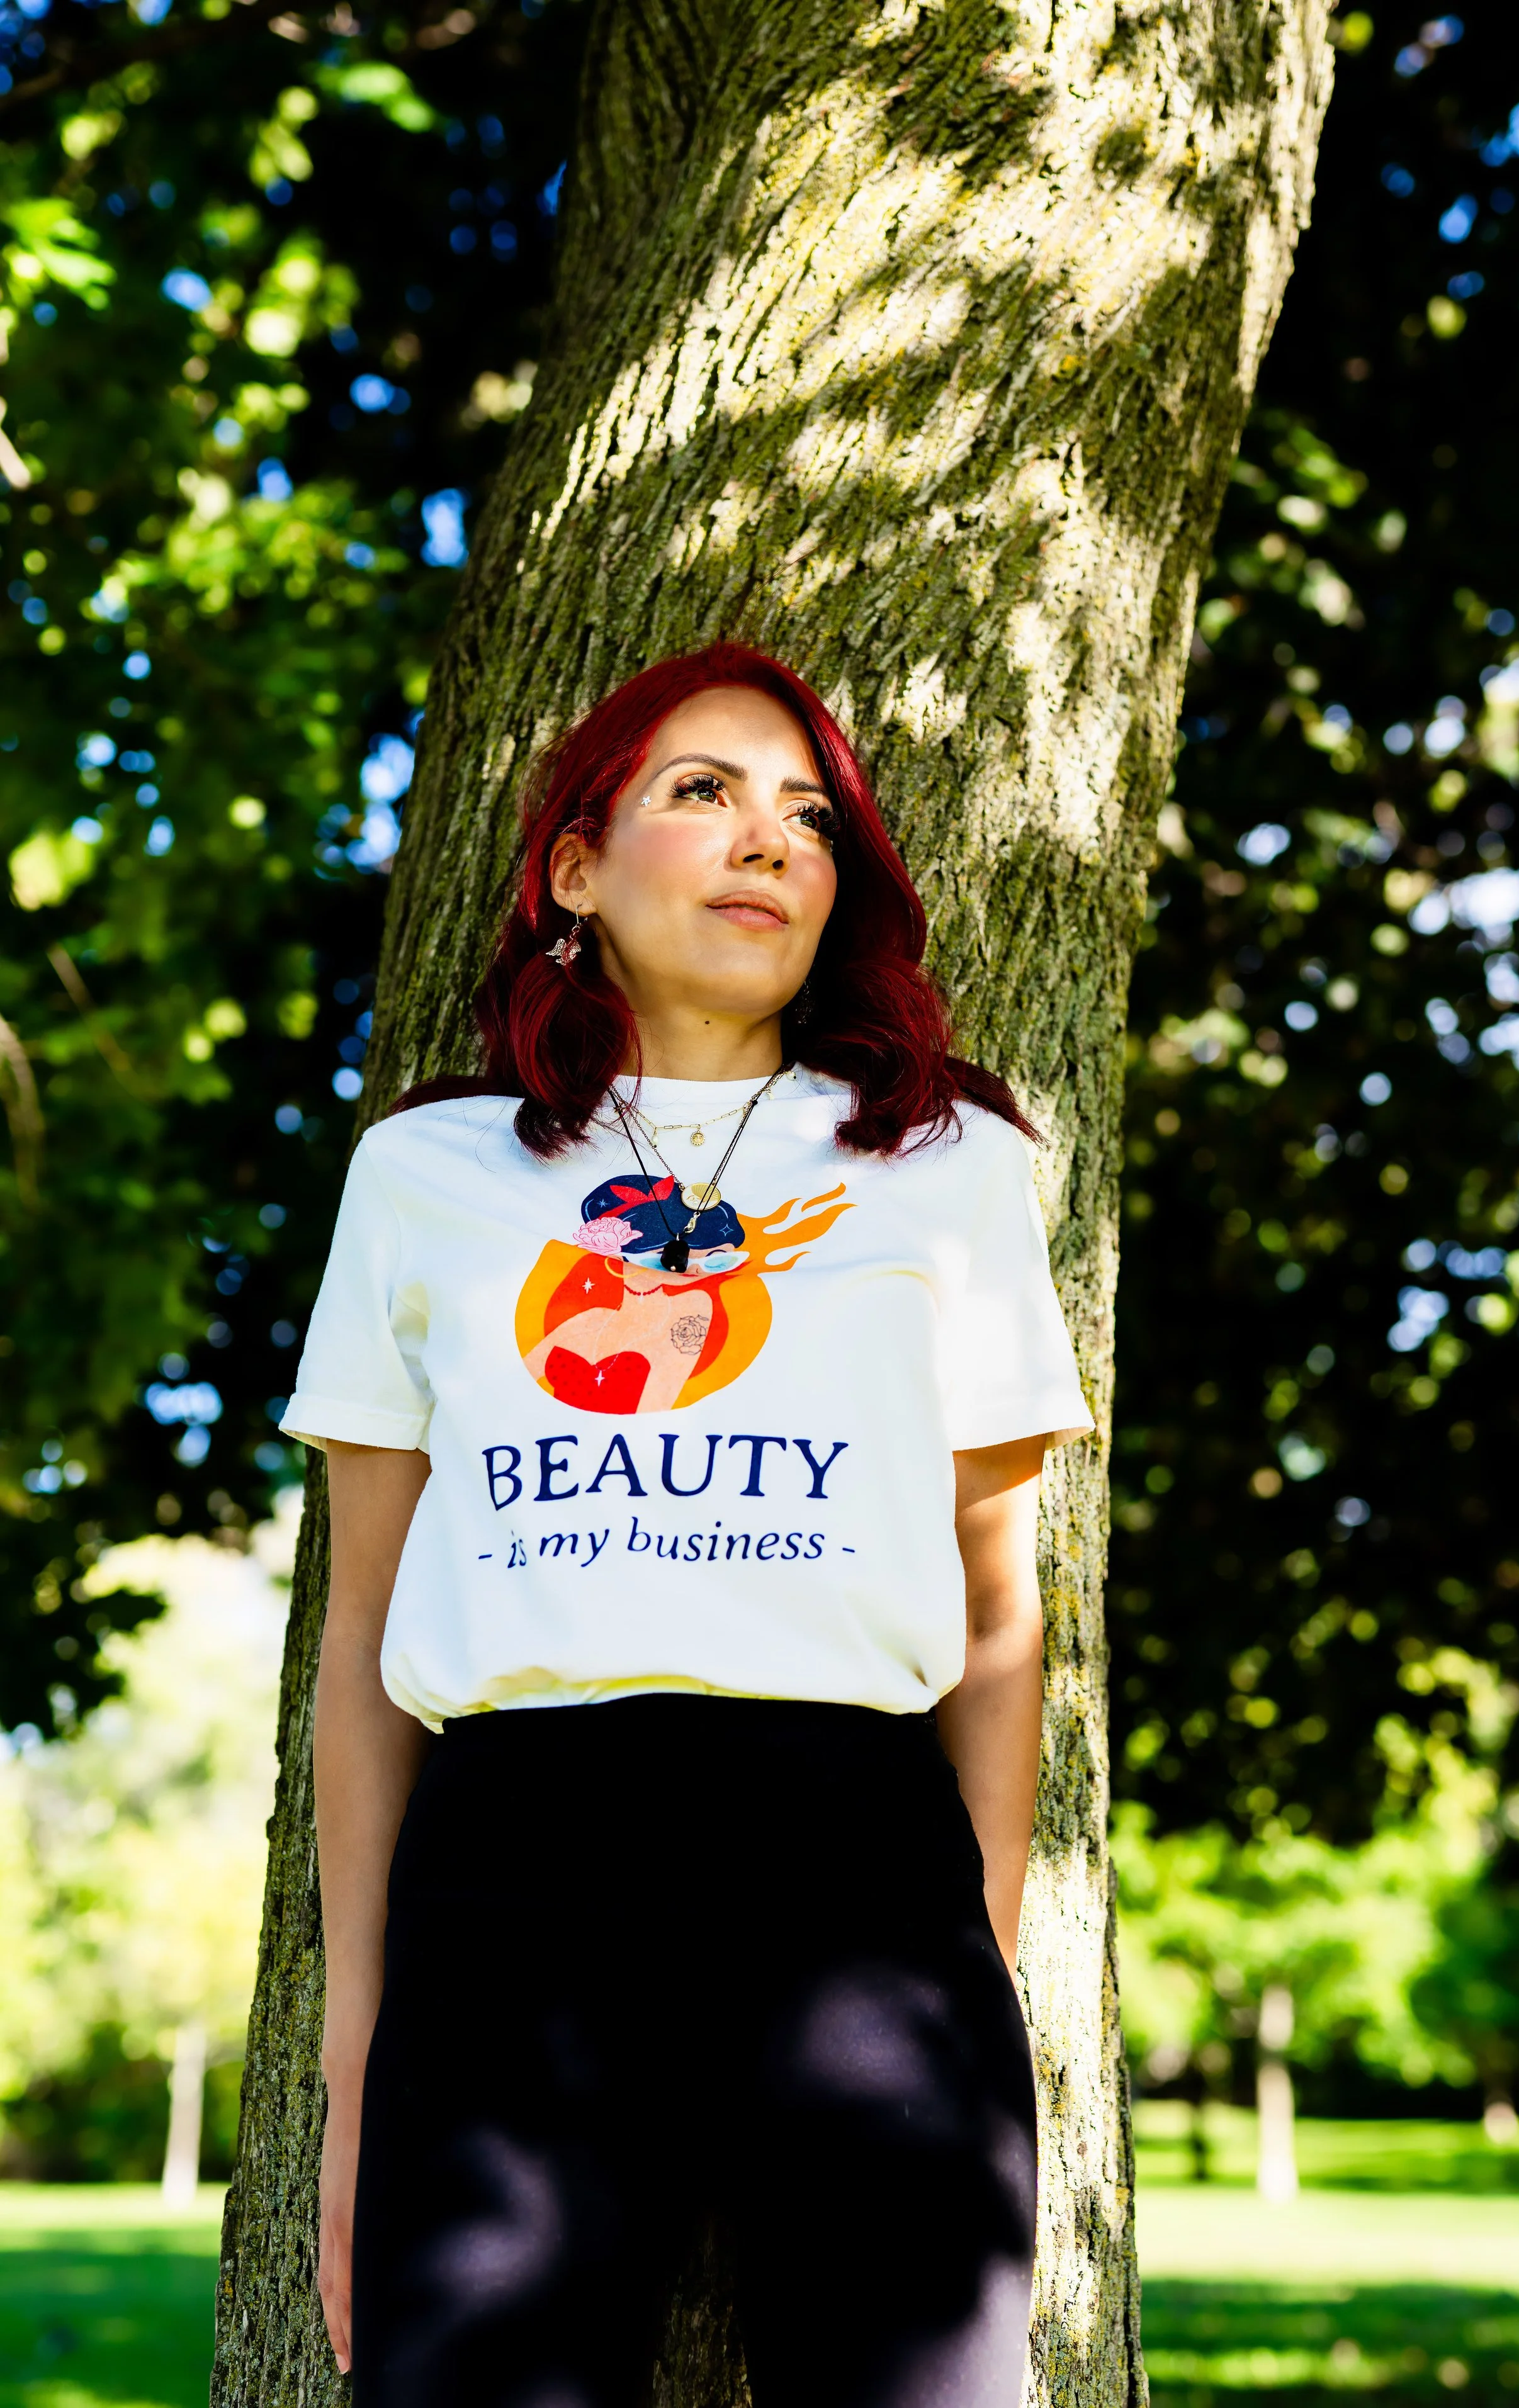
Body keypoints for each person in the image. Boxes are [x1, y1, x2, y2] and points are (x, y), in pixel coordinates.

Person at [288, 641, 1093, 2407]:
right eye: (702, 793)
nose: (768, 843)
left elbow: (996, 1620)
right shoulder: (428, 1175)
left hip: (860, 1874)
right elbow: (360, 1638)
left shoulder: (947, 1166)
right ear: (574, 869)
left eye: (808, 815)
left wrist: (974, 1996)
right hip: (520, 1876)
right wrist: (360, 2057)